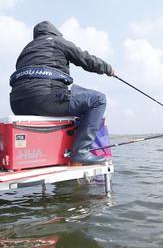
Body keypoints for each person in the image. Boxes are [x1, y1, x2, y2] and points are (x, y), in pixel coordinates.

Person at [9, 21, 114, 164]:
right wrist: (107, 69)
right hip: (44, 99)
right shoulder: (57, 41)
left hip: (17, 104)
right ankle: (81, 152)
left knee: (76, 93)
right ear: (54, 32)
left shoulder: (26, 49)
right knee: (98, 99)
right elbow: (85, 58)